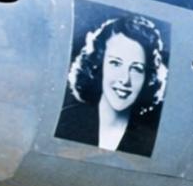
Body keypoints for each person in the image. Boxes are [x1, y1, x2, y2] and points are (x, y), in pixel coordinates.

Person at [54, 14, 167, 155]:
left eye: (137, 68)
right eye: (115, 63)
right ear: (98, 65)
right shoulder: (66, 121)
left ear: (148, 78)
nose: (125, 79)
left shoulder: (150, 141)